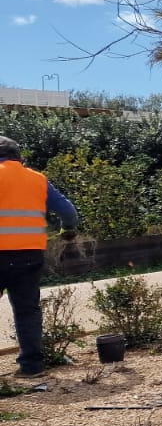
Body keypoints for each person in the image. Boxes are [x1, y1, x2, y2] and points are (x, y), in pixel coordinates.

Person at [0, 136, 79, 378]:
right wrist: (67, 230)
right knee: (28, 310)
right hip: (31, 253)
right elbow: (67, 210)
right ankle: (32, 366)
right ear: (18, 156)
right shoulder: (37, 179)